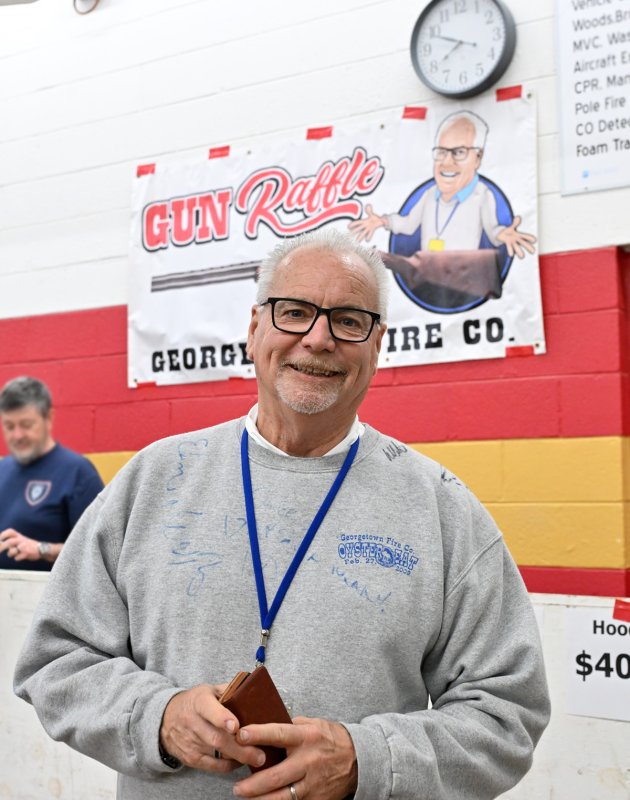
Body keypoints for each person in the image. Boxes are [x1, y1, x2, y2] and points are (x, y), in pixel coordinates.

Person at [14, 230, 550, 800]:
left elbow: (507, 715)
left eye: (348, 320)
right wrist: (158, 716)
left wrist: (365, 761)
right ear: (254, 329)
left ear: (378, 345)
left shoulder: (442, 510)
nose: (317, 339)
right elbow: (55, 660)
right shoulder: (153, 480)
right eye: (294, 312)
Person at [349, 110, 536, 258]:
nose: (447, 162)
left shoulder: (482, 195)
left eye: (459, 152)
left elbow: (493, 230)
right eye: (441, 152)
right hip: (429, 279)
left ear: (477, 158)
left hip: (463, 281)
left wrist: (503, 235)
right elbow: (408, 224)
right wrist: (383, 221)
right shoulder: (430, 194)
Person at [0, 376, 104, 571]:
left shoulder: (78, 473)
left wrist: (41, 549)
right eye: (9, 426)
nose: (17, 435)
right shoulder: (2, 470)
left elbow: (100, 549)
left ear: (49, 418)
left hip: (51, 598)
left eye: (27, 425)